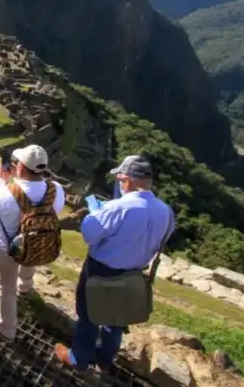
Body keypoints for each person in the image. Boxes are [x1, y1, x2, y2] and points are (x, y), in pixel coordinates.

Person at [55, 155, 174, 372]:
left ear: (127, 180)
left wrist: (97, 213)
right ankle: (104, 360)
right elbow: (163, 238)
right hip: (134, 273)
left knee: (89, 314)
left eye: (120, 179)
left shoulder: (119, 208)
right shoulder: (166, 211)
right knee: (117, 319)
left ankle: (78, 358)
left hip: (101, 269)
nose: (119, 184)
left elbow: (90, 234)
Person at [0, 145, 66, 341]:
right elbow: (57, 210)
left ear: (20, 168)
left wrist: (0, 180)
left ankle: (6, 328)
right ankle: (25, 287)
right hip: (38, 240)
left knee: (5, 287)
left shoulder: (6, 191)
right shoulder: (55, 189)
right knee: (31, 252)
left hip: (6, 247)